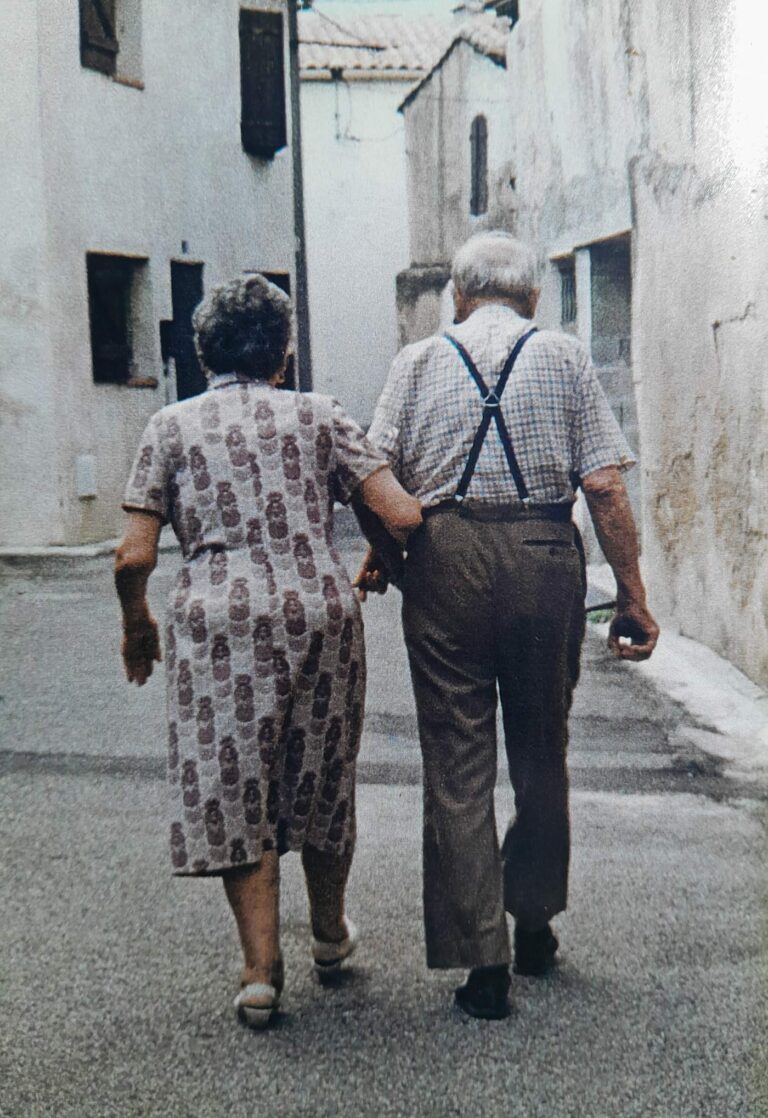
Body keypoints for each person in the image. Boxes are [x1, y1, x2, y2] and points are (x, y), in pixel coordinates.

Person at [358, 231, 659, 1020]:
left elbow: (370, 471)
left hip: (443, 554)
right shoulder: (562, 355)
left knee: (456, 761)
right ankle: (533, 921)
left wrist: (388, 553)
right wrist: (632, 595)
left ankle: (481, 962)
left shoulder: (417, 361)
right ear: (532, 296)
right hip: (541, 554)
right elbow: (603, 487)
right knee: (540, 746)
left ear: (457, 297)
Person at [115, 274, 422, 1028]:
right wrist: (383, 556)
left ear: (203, 354)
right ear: (283, 353)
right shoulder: (320, 415)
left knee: (235, 779)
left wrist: (138, 625)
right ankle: (328, 933)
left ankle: (259, 971)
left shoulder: (170, 426)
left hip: (216, 621)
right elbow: (400, 512)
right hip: (319, 611)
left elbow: (133, 556)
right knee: (321, 775)